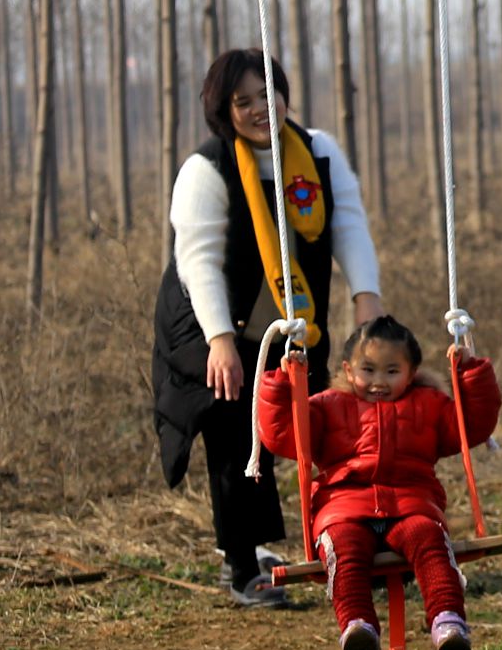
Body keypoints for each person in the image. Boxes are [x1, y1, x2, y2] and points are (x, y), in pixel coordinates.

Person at [150, 48, 383, 606]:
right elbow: (198, 262)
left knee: (321, 423)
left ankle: (344, 539)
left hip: (295, 323)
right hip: (212, 323)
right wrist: (221, 342)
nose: (261, 109)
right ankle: (242, 563)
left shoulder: (317, 152)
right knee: (238, 435)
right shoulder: (206, 170)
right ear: (222, 110)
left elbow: (347, 221)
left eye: (269, 94)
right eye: (244, 101)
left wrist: (366, 298)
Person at [256, 314, 502, 650]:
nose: (378, 382)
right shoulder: (326, 406)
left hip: (410, 504)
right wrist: (282, 386)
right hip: (344, 510)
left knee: (430, 540)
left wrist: (471, 376)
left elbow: (473, 426)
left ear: (412, 370)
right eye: (367, 370)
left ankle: (448, 623)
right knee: (345, 550)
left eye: (391, 371)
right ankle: (359, 630)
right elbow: (281, 435)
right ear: (347, 368)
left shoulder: (430, 406)